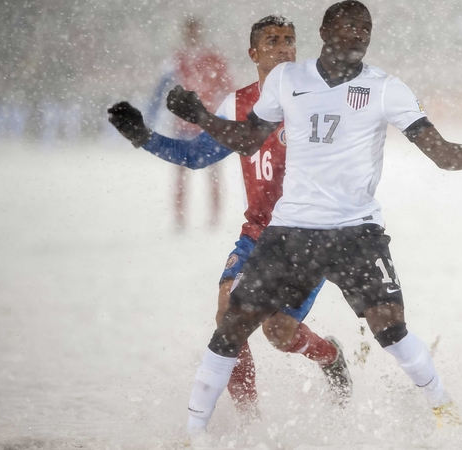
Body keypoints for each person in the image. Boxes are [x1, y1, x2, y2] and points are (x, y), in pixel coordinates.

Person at [168, 0, 462, 433]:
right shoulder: (288, 79)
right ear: (326, 30)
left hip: (356, 233)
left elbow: (439, 153)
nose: (359, 34)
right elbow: (248, 140)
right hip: (290, 232)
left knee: (391, 329)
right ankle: (194, 434)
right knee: (232, 324)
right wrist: (200, 117)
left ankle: (444, 407)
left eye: (366, 28)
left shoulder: (386, 88)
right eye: (349, 26)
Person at [107, 15, 352, 421]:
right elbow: (195, 156)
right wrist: (143, 137)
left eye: (290, 40)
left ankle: (329, 356)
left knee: (278, 333)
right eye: (272, 40)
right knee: (228, 317)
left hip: (309, 237)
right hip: (258, 233)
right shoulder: (237, 104)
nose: (283, 48)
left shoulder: (320, 100)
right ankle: (249, 425)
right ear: (253, 53)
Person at [157, 17, 233, 231]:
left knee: (214, 173)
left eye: (194, 30)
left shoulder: (213, 58)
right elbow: (162, 87)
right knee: (182, 175)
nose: (192, 34)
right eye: (189, 30)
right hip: (183, 125)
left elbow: (227, 87)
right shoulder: (177, 59)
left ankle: (214, 219)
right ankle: (180, 219)